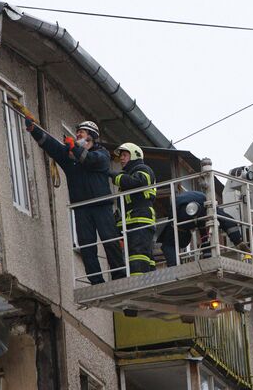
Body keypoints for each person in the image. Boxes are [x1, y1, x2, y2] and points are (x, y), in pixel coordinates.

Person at [25, 118, 125, 285]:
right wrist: (35, 130)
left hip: (101, 205)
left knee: (110, 241)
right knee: (86, 247)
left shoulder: (102, 155)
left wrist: (74, 147)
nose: (78, 134)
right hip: (81, 208)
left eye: (82, 132)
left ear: (91, 137)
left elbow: (89, 160)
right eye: (77, 132)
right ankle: (96, 282)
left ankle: (119, 277)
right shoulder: (70, 157)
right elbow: (51, 145)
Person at [158, 191, 247, 267]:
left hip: (179, 210)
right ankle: (207, 260)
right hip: (190, 207)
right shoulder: (209, 206)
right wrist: (238, 241)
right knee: (205, 234)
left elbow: (172, 220)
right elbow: (228, 221)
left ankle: (175, 267)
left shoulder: (206, 205)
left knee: (169, 245)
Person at [110, 143, 157, 276]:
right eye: (121, 157)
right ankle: (151, 276)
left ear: (135, 155)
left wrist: (117, 177)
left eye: (125, 155)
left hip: (140, 218)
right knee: (145, 254)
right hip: (133, 219)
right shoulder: (130, 173)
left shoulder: (143, 169)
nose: (122, 159)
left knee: (138, 254)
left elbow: (138, 182)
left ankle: (139, 283)